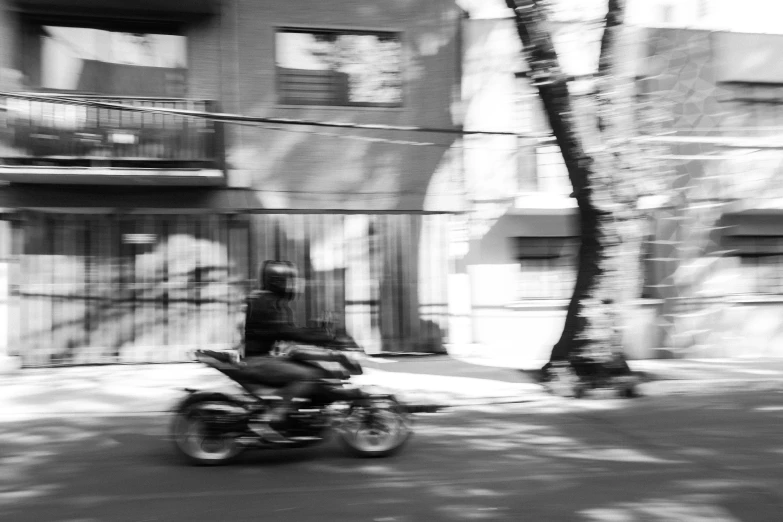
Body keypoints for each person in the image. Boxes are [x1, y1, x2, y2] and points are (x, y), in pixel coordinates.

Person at [237, 260, 355, 440]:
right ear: (277, 281)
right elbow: (287, 332)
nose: (293, 285)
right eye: (288, 280)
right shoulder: (265, 302)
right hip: (258, 361)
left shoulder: (270, 301)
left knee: (308, 368)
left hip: (264, 358)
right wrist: (326, 338)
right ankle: (273, 417)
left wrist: (320, 332)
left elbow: (291, 331)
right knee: (307, 375)